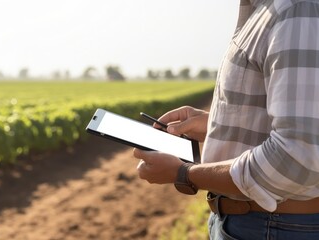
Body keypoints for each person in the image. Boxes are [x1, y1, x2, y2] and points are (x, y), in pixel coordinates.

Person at [132, 0, 319, 239]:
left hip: (274, 227)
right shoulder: (265, 10)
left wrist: (184, 174)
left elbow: (297, 158)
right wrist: (217, 125)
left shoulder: (295, 10)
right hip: (256, 223)